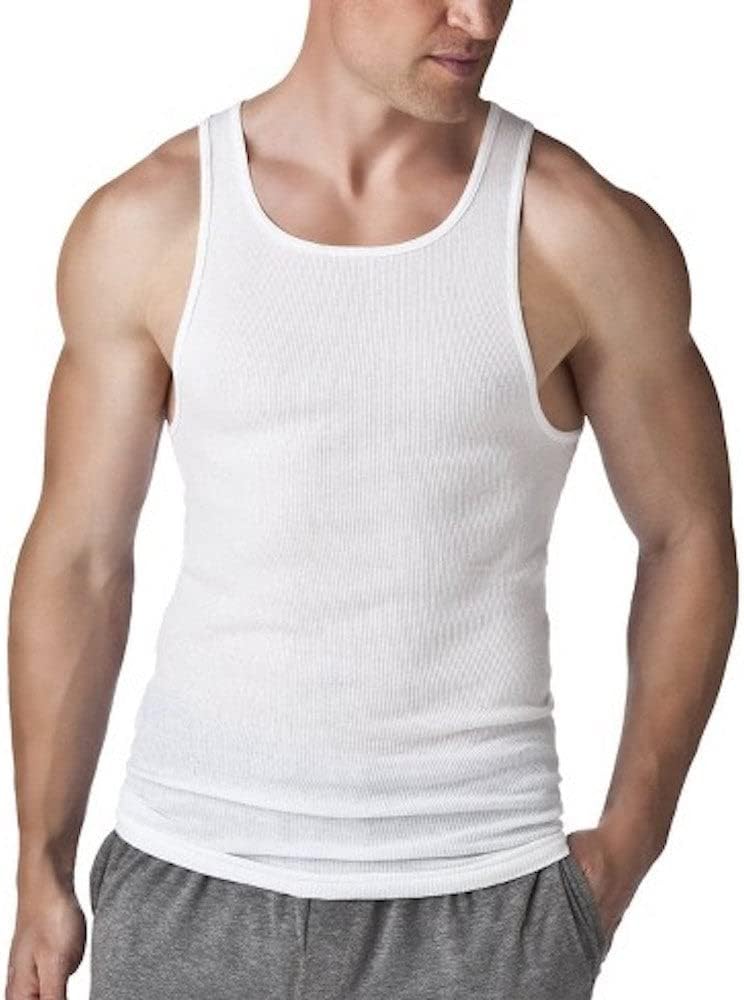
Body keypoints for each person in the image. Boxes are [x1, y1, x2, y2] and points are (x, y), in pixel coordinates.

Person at [5, 2, 737, 999]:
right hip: (190, 878)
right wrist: (40, 866)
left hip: (485, 900)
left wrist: (630, 843)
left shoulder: (578, 231)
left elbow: (688, 531)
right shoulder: (153, 221)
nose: (479, 17)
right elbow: (81, 556)